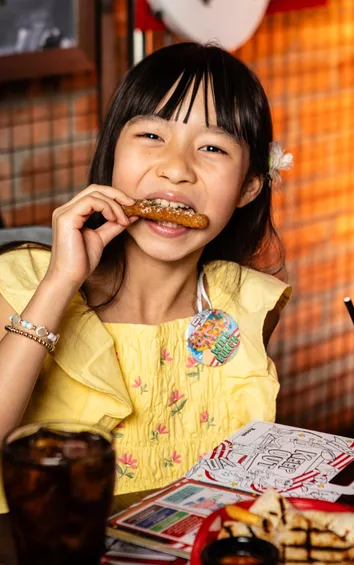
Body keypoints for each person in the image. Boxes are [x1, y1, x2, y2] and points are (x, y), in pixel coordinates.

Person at [0, 42, 292, 503]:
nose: (176, 169)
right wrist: (60, 283)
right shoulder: (20, 281)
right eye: (152, 136)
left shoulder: (246, 303)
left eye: (212, 147)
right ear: (113, 153)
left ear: (248, 187)